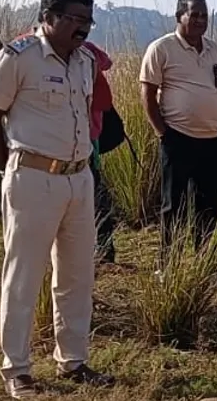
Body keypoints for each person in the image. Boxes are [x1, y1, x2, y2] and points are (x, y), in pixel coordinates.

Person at [0, 0, 114, 397]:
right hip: (32, 177)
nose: (82, 29)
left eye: (87, 21)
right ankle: (16, 368)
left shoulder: (86, 62)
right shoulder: (19, 57)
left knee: (76, 275)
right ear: (49, 17)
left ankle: (73, 360)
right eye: (74, 19)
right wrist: (12, 170)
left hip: (78, 178)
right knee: (24, 275)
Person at [138, 0, 217, 261]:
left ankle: (204, 260)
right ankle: (168, 263)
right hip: (178, 138)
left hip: (215, 140)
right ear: (179, 16)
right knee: (174, 204)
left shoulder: (215, 50)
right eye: (194, 15)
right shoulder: (162, 48)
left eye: (204, 15)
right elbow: (147, 93)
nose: (200, 20)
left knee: (210, 204)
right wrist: (162, 132)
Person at [84, 40, 117, 264]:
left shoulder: (85, 52)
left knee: (95, 190)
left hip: (89, 136)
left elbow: (106, 62)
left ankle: (104, 246)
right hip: (62, 140)